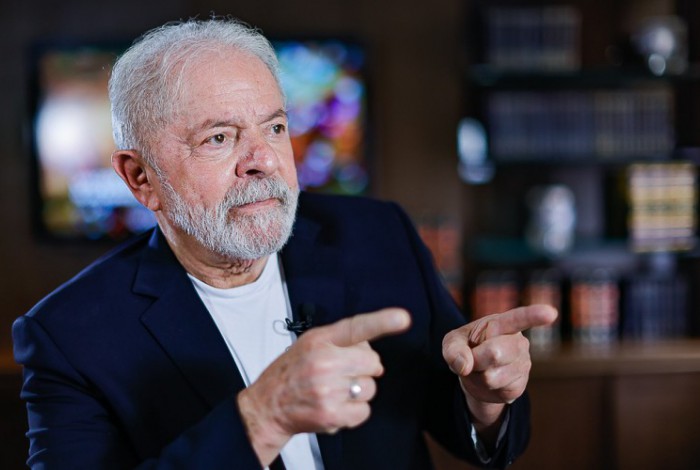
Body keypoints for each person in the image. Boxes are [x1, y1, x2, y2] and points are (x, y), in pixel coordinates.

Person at [13, 17, 557, 469]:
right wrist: (262, 418)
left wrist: (484, 400)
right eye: (219, 138)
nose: (264, 161)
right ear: (140, 177)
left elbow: (466, 420)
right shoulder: (69, 336)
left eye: (274, 128)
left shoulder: (377, 235)